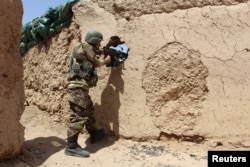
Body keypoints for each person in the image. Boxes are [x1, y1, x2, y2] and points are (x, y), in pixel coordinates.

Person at [65, 30, 111, 157]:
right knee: (78, 116)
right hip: (77, 88)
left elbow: (89, 57)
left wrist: (99, 52)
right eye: (99, 42)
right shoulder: (86, 46)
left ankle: (94, 134)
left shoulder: (83, 48)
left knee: (89, 111)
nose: (100, 44)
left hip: (81, 88)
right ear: (95, 41)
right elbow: (95, 62)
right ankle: (71, 146)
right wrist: (105, 60)